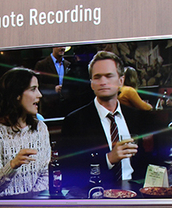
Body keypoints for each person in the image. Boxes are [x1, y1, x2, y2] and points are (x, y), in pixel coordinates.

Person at [60, 51, 146, 189]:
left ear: (121, 81)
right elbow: (69, 171)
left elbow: (145, 163)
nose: (103, 82)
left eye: (109, 76)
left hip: (135, 193)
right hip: (96, 194)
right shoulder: (75, 121)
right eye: (97, 77)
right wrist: (109, 159)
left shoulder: (136, 117)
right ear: (92, 84)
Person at [0, 67, 51, 199]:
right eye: (33, 89)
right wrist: (12, 165)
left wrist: (31, 201)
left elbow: (44, 174)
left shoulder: (40, 128)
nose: (39, 95)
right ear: (16, 95)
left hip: (33, 201)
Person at [34, 47, 71, 118]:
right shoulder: (42, 64)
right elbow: (37, 85)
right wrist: (53, 88)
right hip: (48, 107)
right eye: (60, 45)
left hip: (65, 107)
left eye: (64, 46)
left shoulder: (68, 64)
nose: (62, 48)